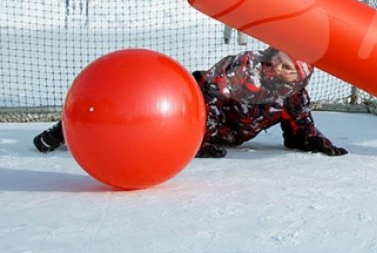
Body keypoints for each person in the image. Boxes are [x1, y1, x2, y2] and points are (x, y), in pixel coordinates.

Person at [32, 47, 348, 158]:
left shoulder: (293, 97)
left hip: (208, 135)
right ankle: (66, 129)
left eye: (288, 68)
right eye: (279, 60)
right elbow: (208, 95)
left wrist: (316, 143)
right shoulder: (245, 67)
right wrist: (195, 141)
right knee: (130, 113)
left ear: (299, 77)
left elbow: (299, 131)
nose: (278, 68)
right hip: (183, 106)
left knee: (138, 140)